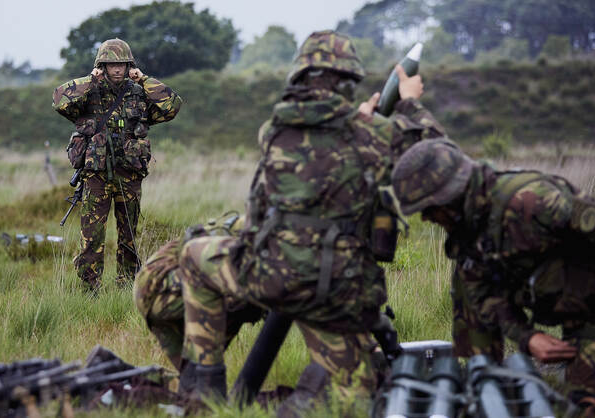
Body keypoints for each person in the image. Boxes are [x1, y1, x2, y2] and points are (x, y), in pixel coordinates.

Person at [176, 30, 445, 413]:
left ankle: (203, 396)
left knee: (193, 256)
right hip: (333, 292)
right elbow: (436, 154)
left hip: (267, 275)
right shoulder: (372, 135)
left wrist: (361, 119)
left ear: (299, 78)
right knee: (356, 399)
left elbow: (324, 133)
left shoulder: (273, 130)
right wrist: (409, 104)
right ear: (348, 84)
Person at [390, 139, 595, 414]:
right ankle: (486, 383)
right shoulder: (468, 231)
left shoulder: (531, 202)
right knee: (465, 287)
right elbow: (484, 299)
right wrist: (528, 338)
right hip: (571, 307)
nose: (426, 219)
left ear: (447, 196)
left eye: (427, 209)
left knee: (581, 408)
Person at [52, 38, 183, 291]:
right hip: (96, 178)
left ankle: (127, 287)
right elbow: (59, 99)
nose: (117, 69)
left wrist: (143, 79)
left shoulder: (138, 93)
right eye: (111, 64)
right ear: (101, 65)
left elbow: (172, 105)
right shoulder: (88, 94)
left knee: (129, 237)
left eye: (122, 64)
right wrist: (91, 79)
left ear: (129, 65)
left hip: (129, 177)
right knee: (91, 238)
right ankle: (89, 289)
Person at [134, 213, 264, 372]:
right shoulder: (251, 234)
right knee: (244, 300)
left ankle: (114, 377)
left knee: (190, 380)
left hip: (163, 289)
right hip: (157, 286)